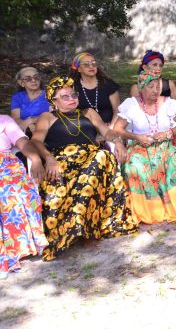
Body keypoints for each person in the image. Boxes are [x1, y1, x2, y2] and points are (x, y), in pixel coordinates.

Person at [29, 76, 137, 261]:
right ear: (54, 101)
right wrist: (48, 158)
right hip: (61, 160)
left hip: (92, 157)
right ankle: (78, 228)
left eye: (73, 94)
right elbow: (36, 141)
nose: (72, 98)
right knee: (86, 172)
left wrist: (117, 141)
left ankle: (88, 230)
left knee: (100, 158)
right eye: (65, 96)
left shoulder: (89, 112)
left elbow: (106, 132)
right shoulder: (47, 117)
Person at [114, 73, 176, 224]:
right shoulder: (131, 104)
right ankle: (150, 210)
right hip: (140, 147)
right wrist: (137, 137)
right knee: (135, 166)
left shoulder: (168, 103)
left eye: (158, 86)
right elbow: (117, 129)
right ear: (141, 88)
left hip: (165, 145)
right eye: (151, 87)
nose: (155, 90)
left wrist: (169, 133)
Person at [1, 115, 48, 278]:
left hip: (5, 166)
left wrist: (35, 158)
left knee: (9, 193)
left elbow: (22, 143)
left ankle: (17, 247)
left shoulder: (4, 121)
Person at [70, 52, 120, 125]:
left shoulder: (108, 84)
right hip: (83, 129)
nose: (91, 66)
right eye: (86, 64)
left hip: (109, 126)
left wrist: (111, 128)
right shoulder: (73, 87)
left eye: (94, 63)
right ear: (79, 69)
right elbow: (70, 111)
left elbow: (117, 111)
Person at [11, 67, 49, 135]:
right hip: (24, 131)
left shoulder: (49, 94)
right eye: (28, 78)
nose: (33, 80)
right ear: (21, 83)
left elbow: (55, 115)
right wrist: (28, 124)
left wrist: (33, 121)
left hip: (47, 130)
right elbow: (16, 119)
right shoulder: (17, 97)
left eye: (36, 77)